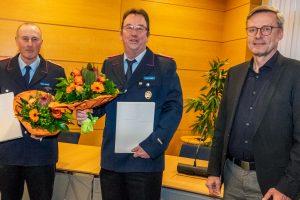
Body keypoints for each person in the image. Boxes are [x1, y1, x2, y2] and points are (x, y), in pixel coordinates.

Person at [76, 8, 183, 200]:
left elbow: (173, 109)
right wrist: (87, 116)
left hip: (145, 160)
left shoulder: (164, 66)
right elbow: (102, 103)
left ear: (148, 35)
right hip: (112, 162)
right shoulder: (110, 64)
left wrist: (153, 145)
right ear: (121, 33)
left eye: (140, 28)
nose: (134, 33)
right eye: (129, 27)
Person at [206, 5, 300, 200]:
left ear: (280, 33)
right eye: (252, 30)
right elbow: (220, 128)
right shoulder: (234, 73)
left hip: (272, 185)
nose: (258, 35)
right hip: (231, 177)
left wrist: (287, 187)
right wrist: (214, 170)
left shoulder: (295, 74)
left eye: (266, 29)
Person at [0, 23, 66, 200]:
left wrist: (48, 130)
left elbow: (64, 114)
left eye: (34, 39)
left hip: (42, 154)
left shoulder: (56, 72)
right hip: (8, 155)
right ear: (17, 41)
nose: (30, 44)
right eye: (25, 38)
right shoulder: (1, 69)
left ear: (41, 43)